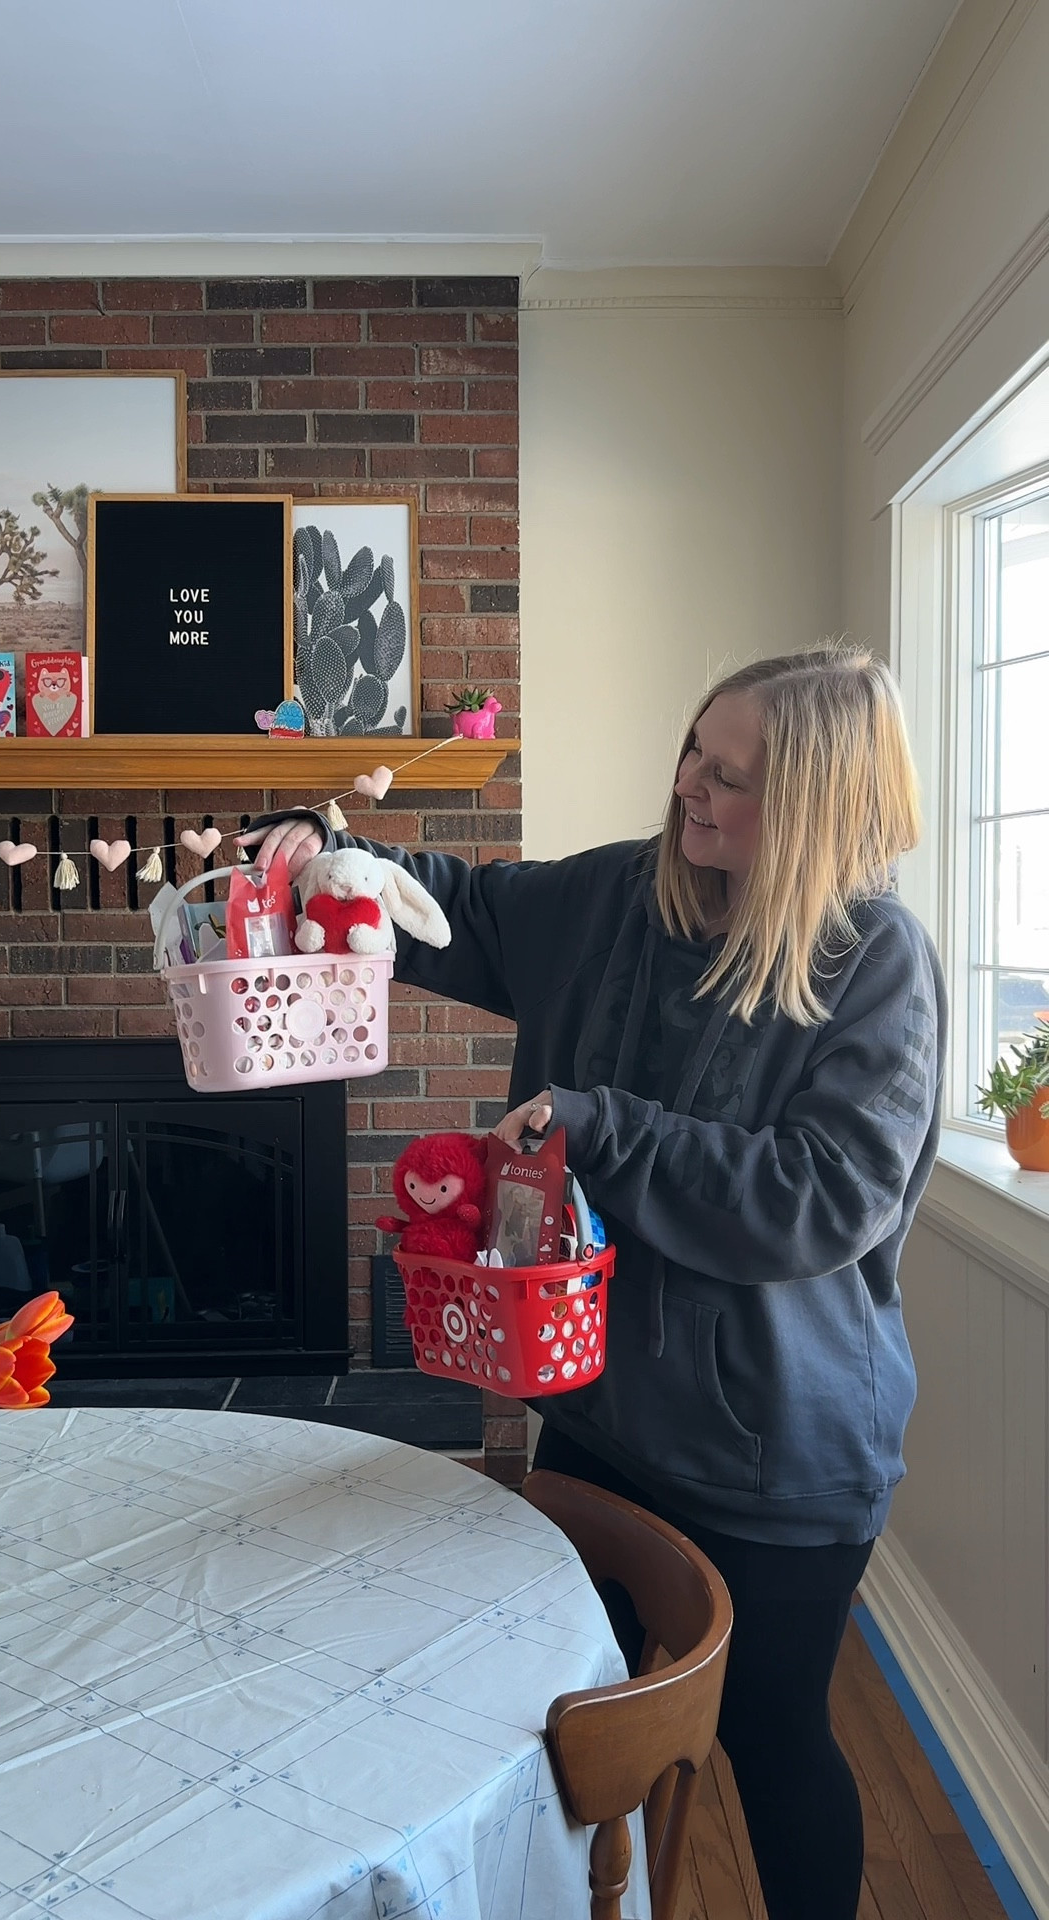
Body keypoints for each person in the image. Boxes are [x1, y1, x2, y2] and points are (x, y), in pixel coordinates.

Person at [241, 645, 946, 1920]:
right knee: (563, 1721)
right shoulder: (623, 894)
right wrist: (329, 857)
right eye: (694, 750)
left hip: (775, 1452)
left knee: (774, 1743)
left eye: (736, 781)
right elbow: (464, 906)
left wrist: (601, 1125)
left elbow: (820, 1198)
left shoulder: (873, 960)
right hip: (602, 1408)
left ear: (823, 809)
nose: (692, 788)